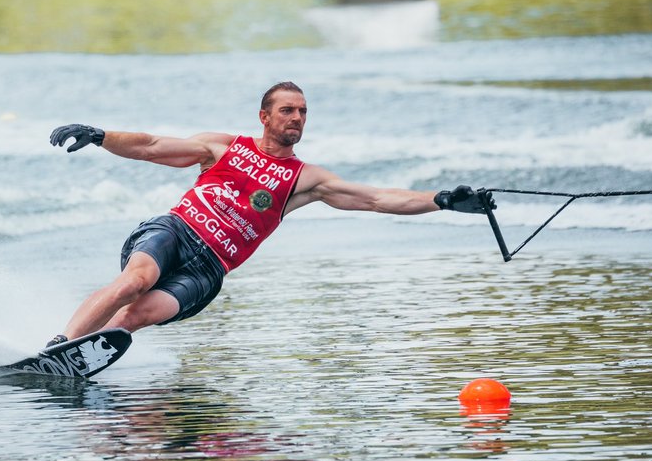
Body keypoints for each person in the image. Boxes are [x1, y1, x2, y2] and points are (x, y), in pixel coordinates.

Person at [44, 81, 491, 347]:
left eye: (303, 112)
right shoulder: (221, 146)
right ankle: (60, 345)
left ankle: (79, 356)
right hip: (175, 232)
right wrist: (101, 135)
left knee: (141, 314)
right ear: (265, 115)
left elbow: (378, 198)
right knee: (135, 282)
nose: (297, 118)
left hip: (209, 269)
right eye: (287, 110)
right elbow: (152, 146)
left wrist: (444, 199)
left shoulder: (305, 179)